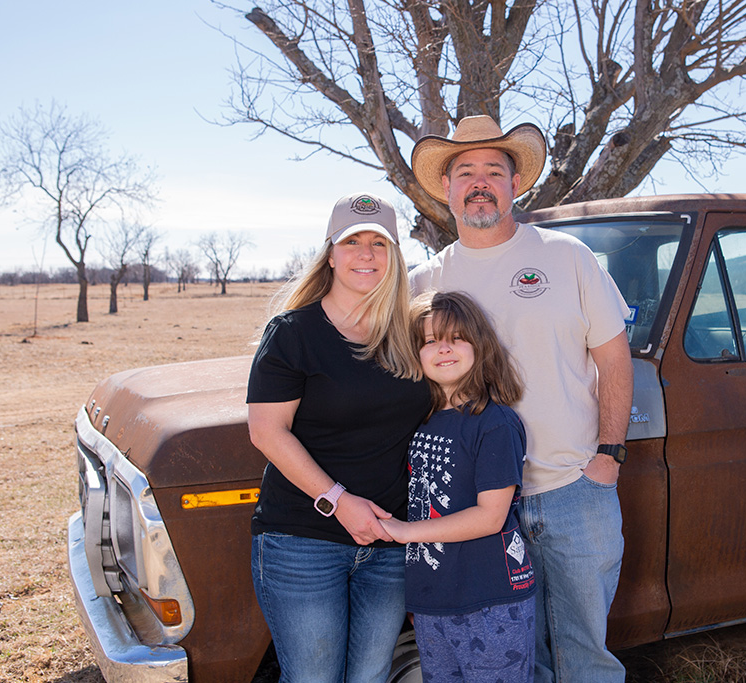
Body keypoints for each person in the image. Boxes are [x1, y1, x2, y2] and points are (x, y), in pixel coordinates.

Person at [408, 116, 634, 682]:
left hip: (573, 488)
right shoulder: (423, 283)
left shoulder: (568, 257)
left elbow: (614, 358)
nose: (479, 182)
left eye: (493, 170)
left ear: (516, 185)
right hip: (477, 511)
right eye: (465, 172)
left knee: (587, 652)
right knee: (513, 659)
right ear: (448, 189)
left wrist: (608, 457)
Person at [246, 192, 431, 683]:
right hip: (302, 539)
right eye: (352, 242)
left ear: (395, 256)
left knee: (371, 676)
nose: (366, 254)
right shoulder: (292, 333)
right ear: (330, 253)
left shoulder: (411, 334)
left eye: (379, 243)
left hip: (390, 537)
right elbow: (267, 431)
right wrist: (339, 500)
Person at [380, 290, 536, 683]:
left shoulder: (494, 422)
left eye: (456, 337)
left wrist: (403, 533)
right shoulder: (423, 420)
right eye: (430, 341)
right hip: (434, 600)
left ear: (480, 345)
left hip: (491, 602)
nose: (443, 348)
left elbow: (490, 516)